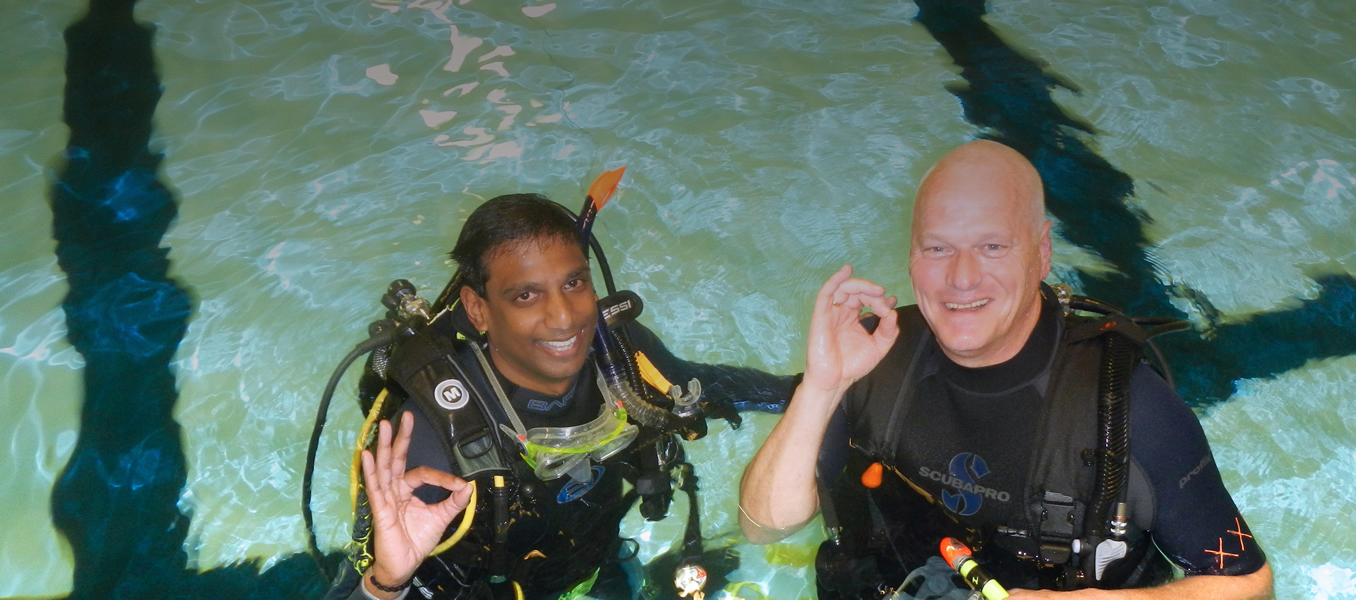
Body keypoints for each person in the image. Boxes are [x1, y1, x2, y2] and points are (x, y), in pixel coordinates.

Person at [738, 140, 1272, 598]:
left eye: (992, 246)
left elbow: (1250, 584)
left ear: (1041, 254)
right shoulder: (875, 356)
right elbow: (763, 526)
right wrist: (822, 387)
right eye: (938, 248)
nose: (962, 277)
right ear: (911, 257)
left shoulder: (1129, 408)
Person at [325, 192, 791, 600]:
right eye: (526, 295)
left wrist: (818, 389)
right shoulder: (429, 442)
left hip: (598, 555)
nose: (565, 318)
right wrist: (386, 583)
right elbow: (357, 584)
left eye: (574, 283)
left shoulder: (620, 356)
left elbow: (705, 384)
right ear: (478, 309)